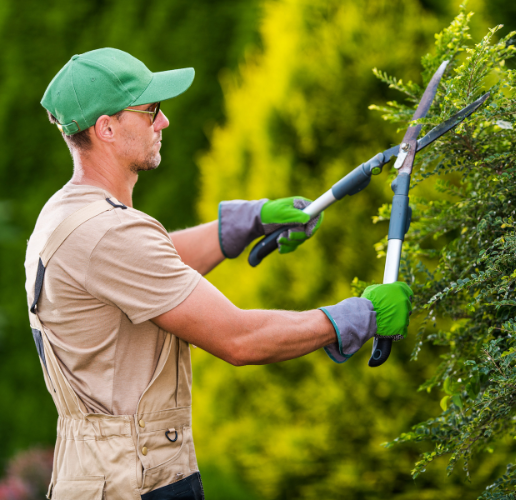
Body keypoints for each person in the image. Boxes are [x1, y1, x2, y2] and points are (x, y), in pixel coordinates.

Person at [24, 48, 413, 500]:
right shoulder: (109, 232)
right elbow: (239, 339)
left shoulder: (68, 215)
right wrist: (357, 317)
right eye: (150, 111)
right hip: (136, 483)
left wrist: (249, 220)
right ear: (106, 128)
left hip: (100, 474)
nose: (163, 122)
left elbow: (152, 265)